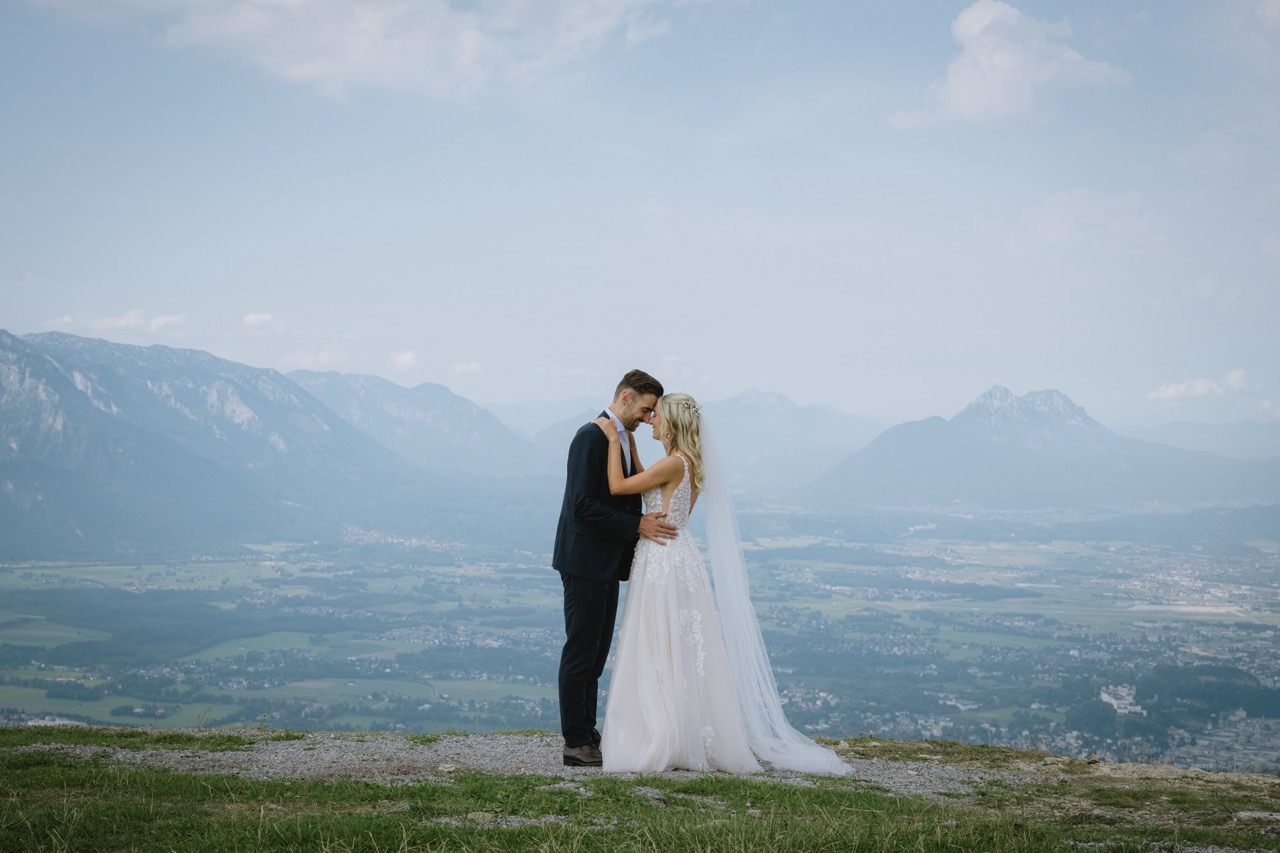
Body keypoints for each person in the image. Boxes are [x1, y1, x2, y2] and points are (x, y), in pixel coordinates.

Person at [594, 393, 851, 776]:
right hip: (680, 553)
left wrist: (614, 440)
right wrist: (631, 443)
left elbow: (617, 487)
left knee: (658, 642)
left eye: (657, 416)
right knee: (677, 645)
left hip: (662, 557)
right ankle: (680, 730)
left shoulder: (671, 464)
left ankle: (663, 733)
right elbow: (652, 486)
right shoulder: (686, 463)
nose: (651, 421)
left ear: (673, 423)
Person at [553, 369, 677, 767]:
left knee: (596, 652)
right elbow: (582, 504)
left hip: (605, 562)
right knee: (581, 651)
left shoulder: (620, 438)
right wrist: (637, 525)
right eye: (644, 409)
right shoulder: (591, 436)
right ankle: (576, 741)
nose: (646, 418)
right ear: (625, 397)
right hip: (585, 561)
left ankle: (589, 734)